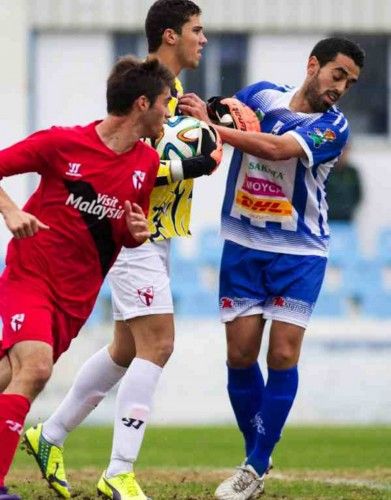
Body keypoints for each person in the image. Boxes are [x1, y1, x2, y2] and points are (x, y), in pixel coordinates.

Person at [22, 2, 220, 500]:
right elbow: (117, 162)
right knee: (160, 345)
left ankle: (48, 436)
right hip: (131, 232)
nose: (205, 39)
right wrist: (188, 165)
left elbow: (175, 153)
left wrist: (211, 127)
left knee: (126, 349)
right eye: (198, 30)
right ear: (170, 35)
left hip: (157, 233)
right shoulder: (145, 90)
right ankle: (119, 470)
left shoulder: (178, 99)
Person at [179, 37, 364, 499]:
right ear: (313, 65)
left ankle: (255, 465)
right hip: (242, 243)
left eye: (350, 82)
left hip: (299, 252)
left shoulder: (332, 128)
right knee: (240, 356)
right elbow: (224, 117)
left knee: (281, 355)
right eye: (337, 74)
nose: (340, 88)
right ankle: (255, 454)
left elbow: (275, 148)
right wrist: (203, 113)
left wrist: (216, 128)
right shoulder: (261, 94)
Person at [0, 55, 175, 500]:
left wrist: (136, 236)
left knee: (11, 373)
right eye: (165, 101)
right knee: (36, 368)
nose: (169, 111)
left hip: (75, 299)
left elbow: (119, 237)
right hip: (30, 276)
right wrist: (11, 209)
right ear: (142, 104)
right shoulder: (61, 144)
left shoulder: (144, 165)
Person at [326, 143, 363, 222]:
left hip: (346, 219)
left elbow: (358, 195)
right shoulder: (323, 171)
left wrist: (348, 208)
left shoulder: (352, 172)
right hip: (326, 220)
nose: (341, 154)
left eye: (345, 150)